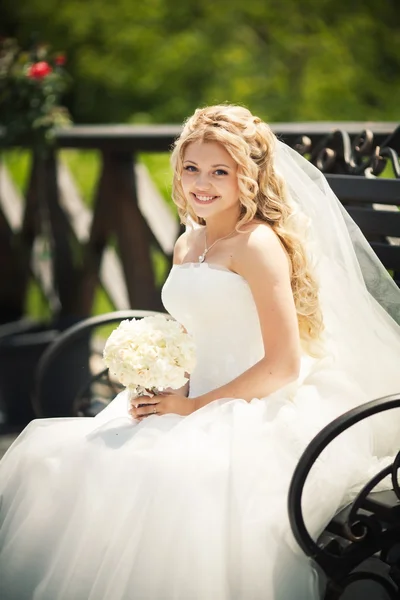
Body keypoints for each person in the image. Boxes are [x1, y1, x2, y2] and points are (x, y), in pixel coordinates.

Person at [0, 105, 399, 600]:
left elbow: (283, 364)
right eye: (191, 168)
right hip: (194, 392)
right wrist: (167, 377)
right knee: (59, 462)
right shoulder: (188, 244)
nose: (201, 183)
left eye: (219, 172)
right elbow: (195, 334)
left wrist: (191, 407)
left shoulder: (257, 245)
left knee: (166, 478)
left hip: (258, 400)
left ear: (247, 178)